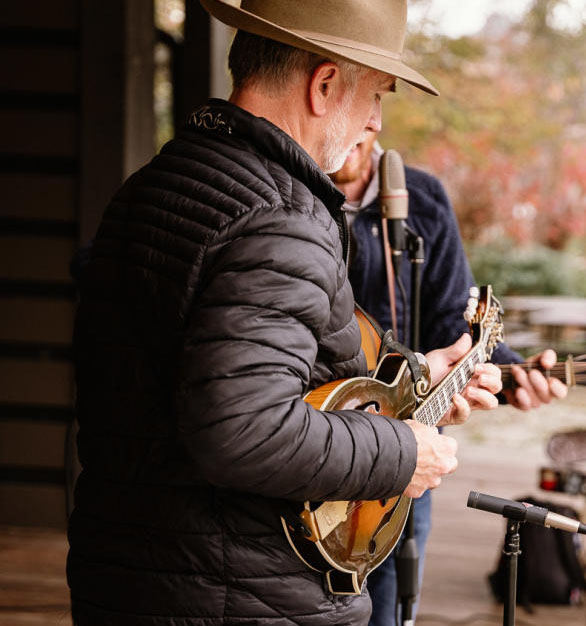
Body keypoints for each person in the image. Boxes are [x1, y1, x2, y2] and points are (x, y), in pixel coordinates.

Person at [67, 2, 502, 625]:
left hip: (131, 577)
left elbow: (212, 382)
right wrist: (403, 453)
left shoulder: (159, 181)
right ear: (324, 85)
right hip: (244, 599)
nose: (376, 120)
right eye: (377, 94)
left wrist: (415, 378)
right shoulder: (283, 220)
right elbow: (244, 429)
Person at [331, 134, 568, 625]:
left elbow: (449, 318)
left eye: (373, 113)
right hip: (316, 437)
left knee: (390, 600)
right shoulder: (294, 193)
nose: (359, 132)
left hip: (406, 441)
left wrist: (510, 370)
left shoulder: (422, 197)